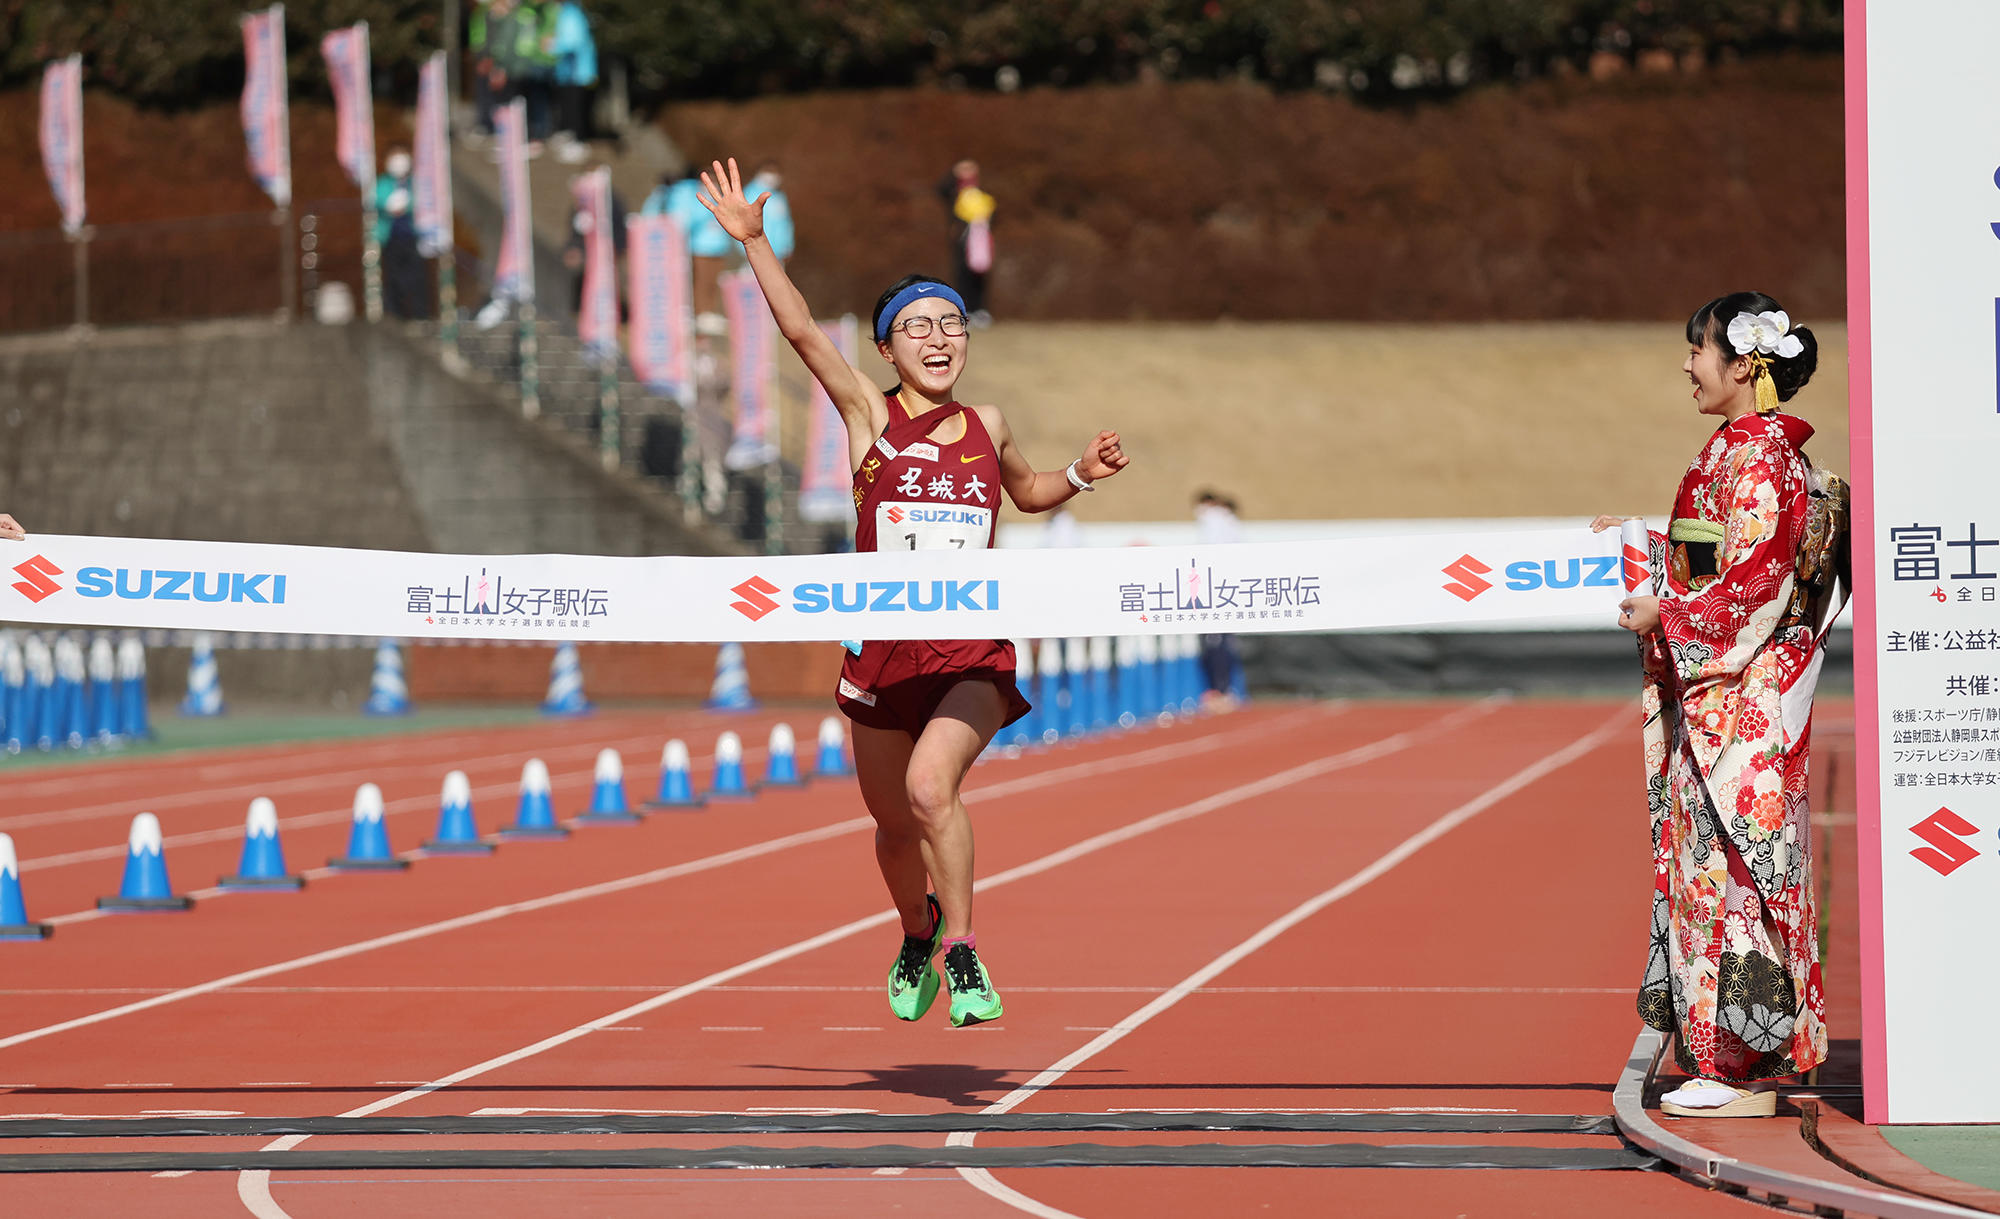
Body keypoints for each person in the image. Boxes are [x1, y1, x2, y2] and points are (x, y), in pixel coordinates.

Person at [698, 156, 1129, 1027]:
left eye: (952, 324)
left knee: (934, 789)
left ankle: (962, 947)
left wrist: (1081, 472)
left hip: (971, 651)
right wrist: (754, 244)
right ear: (887, 349)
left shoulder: (987, 423)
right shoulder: (870, 415)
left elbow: (1028, 492)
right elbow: (802, 333)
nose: (939, 339)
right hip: (880, 656)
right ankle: (916, 930)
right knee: (896, 829)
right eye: (917, 327)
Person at [1594, 291, 1845, 1119]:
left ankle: (1740, 1065)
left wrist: (1667, 612)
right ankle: (1724, 1054)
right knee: (1714, 868)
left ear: (1743, 364)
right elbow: (1714, 561)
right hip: (1729, 697)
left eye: (1698, 350)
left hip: (1744, 700)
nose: (1688, 365)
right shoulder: (1744, 451)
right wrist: (1643, 546)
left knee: (1736, 872)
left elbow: (1754, 586)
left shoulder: (1762, 457)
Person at [1193, 490, 1246, 706]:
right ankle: (1224, 689)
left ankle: (1220, 690)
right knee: (1223, 643)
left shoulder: (1214, 521)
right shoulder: (1228, 522)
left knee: (1216, 643)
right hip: (1227, 587)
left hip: (1216, 588)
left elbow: (1210, 554)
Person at [936, 160, 994, 327]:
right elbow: (941, 190)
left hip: (980, 243)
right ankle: (965, 309)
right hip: (962, 242)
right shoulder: (956, 194)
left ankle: (979, 310)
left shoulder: (981, 195)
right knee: (962, 276)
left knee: (979, 276)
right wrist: (955, 173)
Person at [375, 147, 428, 320]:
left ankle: (420, 314)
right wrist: (388, 206)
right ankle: (395, 315)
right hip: (391, 238)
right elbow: (376, 201)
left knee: (417, 277)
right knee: (393, 277)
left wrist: (408, 204)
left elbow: (422, 202)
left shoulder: (414, 183)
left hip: (412, 237)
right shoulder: (383, 183)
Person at [549, 1, 597, 163]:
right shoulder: (566, 12)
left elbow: (573, 42)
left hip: (577, 72)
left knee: (576, 108)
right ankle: (569, 136)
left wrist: (552, 46)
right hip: (568, 72)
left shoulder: (571, 13)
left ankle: (579, 143)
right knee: (568, 106)